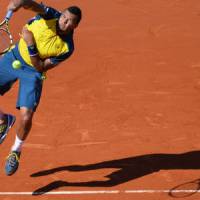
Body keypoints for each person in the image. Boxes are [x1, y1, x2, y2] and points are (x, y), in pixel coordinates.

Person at [0, 0, 82, 176]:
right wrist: (20, 2)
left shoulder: (67, 47)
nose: (64, 22)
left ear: (75, 27)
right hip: (14, 56)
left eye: (69, 22)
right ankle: (3, 120)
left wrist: (30, 44)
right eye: (64, 18)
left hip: (33, 73)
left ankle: (16, 150)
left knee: (26, 115)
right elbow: (32, 4)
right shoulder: (51, 15)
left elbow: (40, 67)